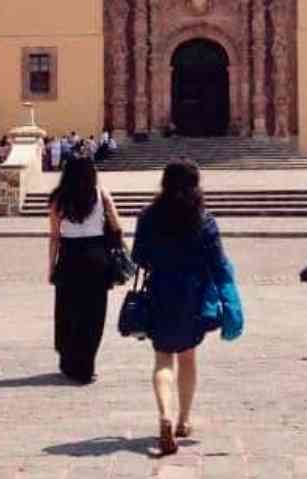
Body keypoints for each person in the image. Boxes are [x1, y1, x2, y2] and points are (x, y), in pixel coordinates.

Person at [133, 159, 242, 456]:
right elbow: (218, 263)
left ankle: (164, 415)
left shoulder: (148, 216)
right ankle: (183, 421)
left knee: (162, 359)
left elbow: (139, 257)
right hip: (194, 295)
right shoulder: (203, 219)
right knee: (188, 357)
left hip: (161, 291)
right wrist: (229, 299)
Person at [48, 152, 123, 383]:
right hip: (96, 257)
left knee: (68, 310)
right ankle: (86, 364)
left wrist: (51, 267)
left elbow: (54, 237)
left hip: (70, 257)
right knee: (94, 313)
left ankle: (69, 360)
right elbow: (117, 226)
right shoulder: (101, 194)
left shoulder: (59, 199)